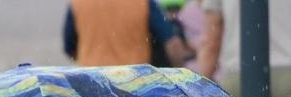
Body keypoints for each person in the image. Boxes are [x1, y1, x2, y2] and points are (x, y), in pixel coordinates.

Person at [63, 0, 193, 68]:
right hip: (133, 80)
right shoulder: (143, 2)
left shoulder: (78, 3)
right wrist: (179, 73)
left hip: (91, 79)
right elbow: (172, 44)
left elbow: (70, 48)